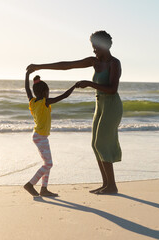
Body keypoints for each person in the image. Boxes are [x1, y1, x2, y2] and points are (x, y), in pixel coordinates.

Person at [27, 30, 123, 194]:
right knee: (95, 144)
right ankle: (106, 184)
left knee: (102, 143)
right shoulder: (94, 61)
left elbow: (113, 89)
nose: (94, 51)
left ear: (104, 46)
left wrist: (89, 83)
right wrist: (39, 66)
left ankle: (112, 186)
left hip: (111, 105)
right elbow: (67, 65)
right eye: (92, 47)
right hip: (100, 104)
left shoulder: (114, 63)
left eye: (96, 47)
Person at [24, 70, 76, 197]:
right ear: (44, 92)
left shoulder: (32, 102)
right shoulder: (44, 102)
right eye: (48, 92)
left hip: (39, 136)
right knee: (48, 164)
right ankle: (30, 184)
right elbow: (63, 96)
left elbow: (27, 89)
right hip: (40, 137)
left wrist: (27, 75)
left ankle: (44, 189)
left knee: (47, 163)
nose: (49, 94)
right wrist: (74, 86)